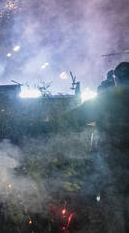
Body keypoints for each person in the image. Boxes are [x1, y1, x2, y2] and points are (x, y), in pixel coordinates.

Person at [53, 62, 129, 232]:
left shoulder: (107, 99)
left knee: (114, 211)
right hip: (116, 163)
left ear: (115, 79)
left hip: (113, 165)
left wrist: (49, 124)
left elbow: (74, 118)